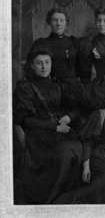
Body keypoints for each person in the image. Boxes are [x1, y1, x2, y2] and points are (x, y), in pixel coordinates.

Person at [13, 49, 83, 203]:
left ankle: (68, 197)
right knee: (63, 153)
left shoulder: (58, 85)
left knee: (76, 148)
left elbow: (76, 109)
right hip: (38, 134)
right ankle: (51, 199)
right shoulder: (25, 87)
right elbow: (25, 120)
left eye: (47, 62)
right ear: (32, 65)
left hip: (61, 130)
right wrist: (54, 127)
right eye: (39, 63)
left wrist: (68, 117)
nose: (44, 67)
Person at [29, 8, 87, 83]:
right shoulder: (41, 43)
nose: (58, 23)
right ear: (49, 22)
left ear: (66, 23)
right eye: (55, 20)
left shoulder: (74, 42)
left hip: (72, 86)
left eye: (61, 20)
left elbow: (82, 69)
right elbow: (32, 68)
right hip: (51, 86)